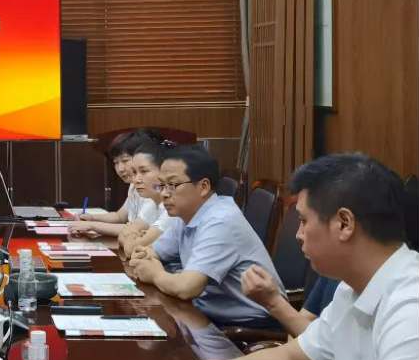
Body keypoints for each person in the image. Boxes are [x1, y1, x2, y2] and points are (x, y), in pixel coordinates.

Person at [188, 153, 419, 360]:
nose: (297, 235)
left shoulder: (411, 304)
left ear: (344, 223)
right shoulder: (352, 289)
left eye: (303, 220)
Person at [128, 144, 283, 327]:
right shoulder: (187, 214)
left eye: (172, 185)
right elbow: (151, 253)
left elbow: (186, 288)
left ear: (203, 186)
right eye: (161, 185)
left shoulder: (221, 221)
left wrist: (155, 274)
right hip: (207, 312)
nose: (164, 194)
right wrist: (143, 257)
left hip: (249, 325)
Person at [70, 130, 162, 238]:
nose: (120, 169)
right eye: (116, 162)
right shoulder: (134, 185)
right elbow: (120, 217)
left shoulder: (153, 189)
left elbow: (135, 229)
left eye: (125, 160)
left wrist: (91, 225)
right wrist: (92, 218)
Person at [242, 265, 340, 339]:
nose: (298, 237)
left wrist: (274, 302)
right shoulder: (332, 271)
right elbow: (297, 335)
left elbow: (326, 348)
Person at [117, 143, 174, 253]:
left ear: (164, 171)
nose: (136, 180)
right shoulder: (153, 204)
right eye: (134, 172)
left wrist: (132, 235)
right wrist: (135, 236)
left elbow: (130, 249)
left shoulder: (172, 208)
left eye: (144, 171)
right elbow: (121, 236)